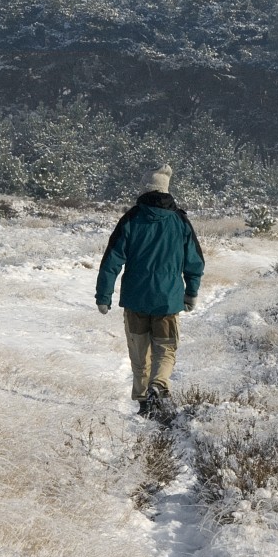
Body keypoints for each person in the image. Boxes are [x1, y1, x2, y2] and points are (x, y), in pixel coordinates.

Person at [95, 164, 205, 417]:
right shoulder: (180, 221)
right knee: (166, 350)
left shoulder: (131, 219)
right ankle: (159, 385)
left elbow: (111, 260)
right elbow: (195, 261)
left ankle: (144, 402)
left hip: (135, 301)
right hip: (168, 300)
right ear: (165, 189)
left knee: (139, 355)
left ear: (144, 189)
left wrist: (103, 295)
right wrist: (191, 292)